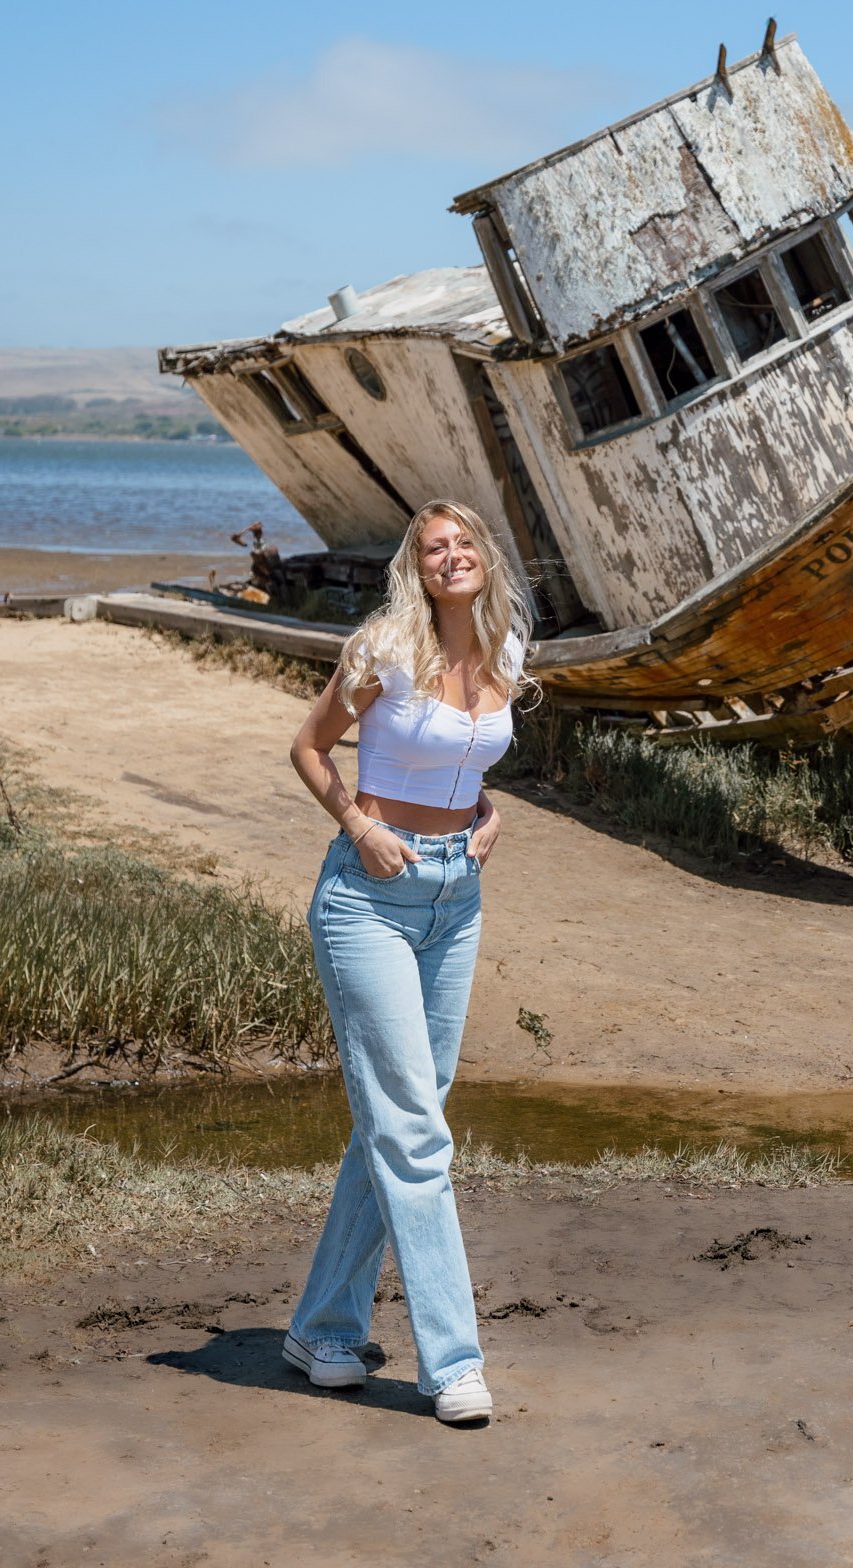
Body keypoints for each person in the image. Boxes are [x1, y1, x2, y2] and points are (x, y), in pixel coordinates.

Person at [281, 497, 532, 1425]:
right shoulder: (383, 651)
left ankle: (323, 1328)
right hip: (368, 898)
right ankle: (453, 1364)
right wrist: (358, 823)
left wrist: (485, 812)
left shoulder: (506, 654)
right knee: (416, 1134)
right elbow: (308, 749)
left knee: (399, 1121)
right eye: (436, 548)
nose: (453, 555)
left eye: (465, 542)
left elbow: (466, 766)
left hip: (454, 899)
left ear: (484, 560)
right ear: (417, 569)